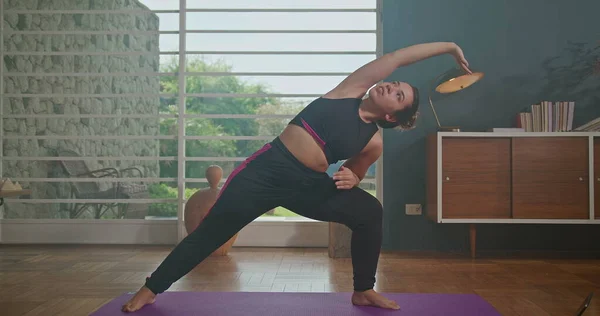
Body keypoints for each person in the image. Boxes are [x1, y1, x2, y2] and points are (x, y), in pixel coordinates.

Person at [122, 42, 471, 313]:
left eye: (398, 95)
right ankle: (151, 288)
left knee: (370, 212)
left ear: (394, 116)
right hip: (267, 171)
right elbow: (398, 57)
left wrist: (352, 178)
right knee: (212, 233)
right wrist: (450, 48)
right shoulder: (349, 91)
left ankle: (363, 289)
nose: (391, 87)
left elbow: (353, 172)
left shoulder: (374, 141)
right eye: (394, 84)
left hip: (308, 185)